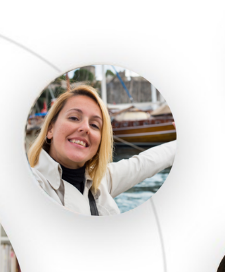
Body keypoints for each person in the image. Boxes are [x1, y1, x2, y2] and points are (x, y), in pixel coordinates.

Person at [26, 83, 176, 216]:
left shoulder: (102, 181)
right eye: (74, 118)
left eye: (95, 125)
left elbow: (144, 163)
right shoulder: (32, 184)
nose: (85, 128)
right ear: (50, 129)